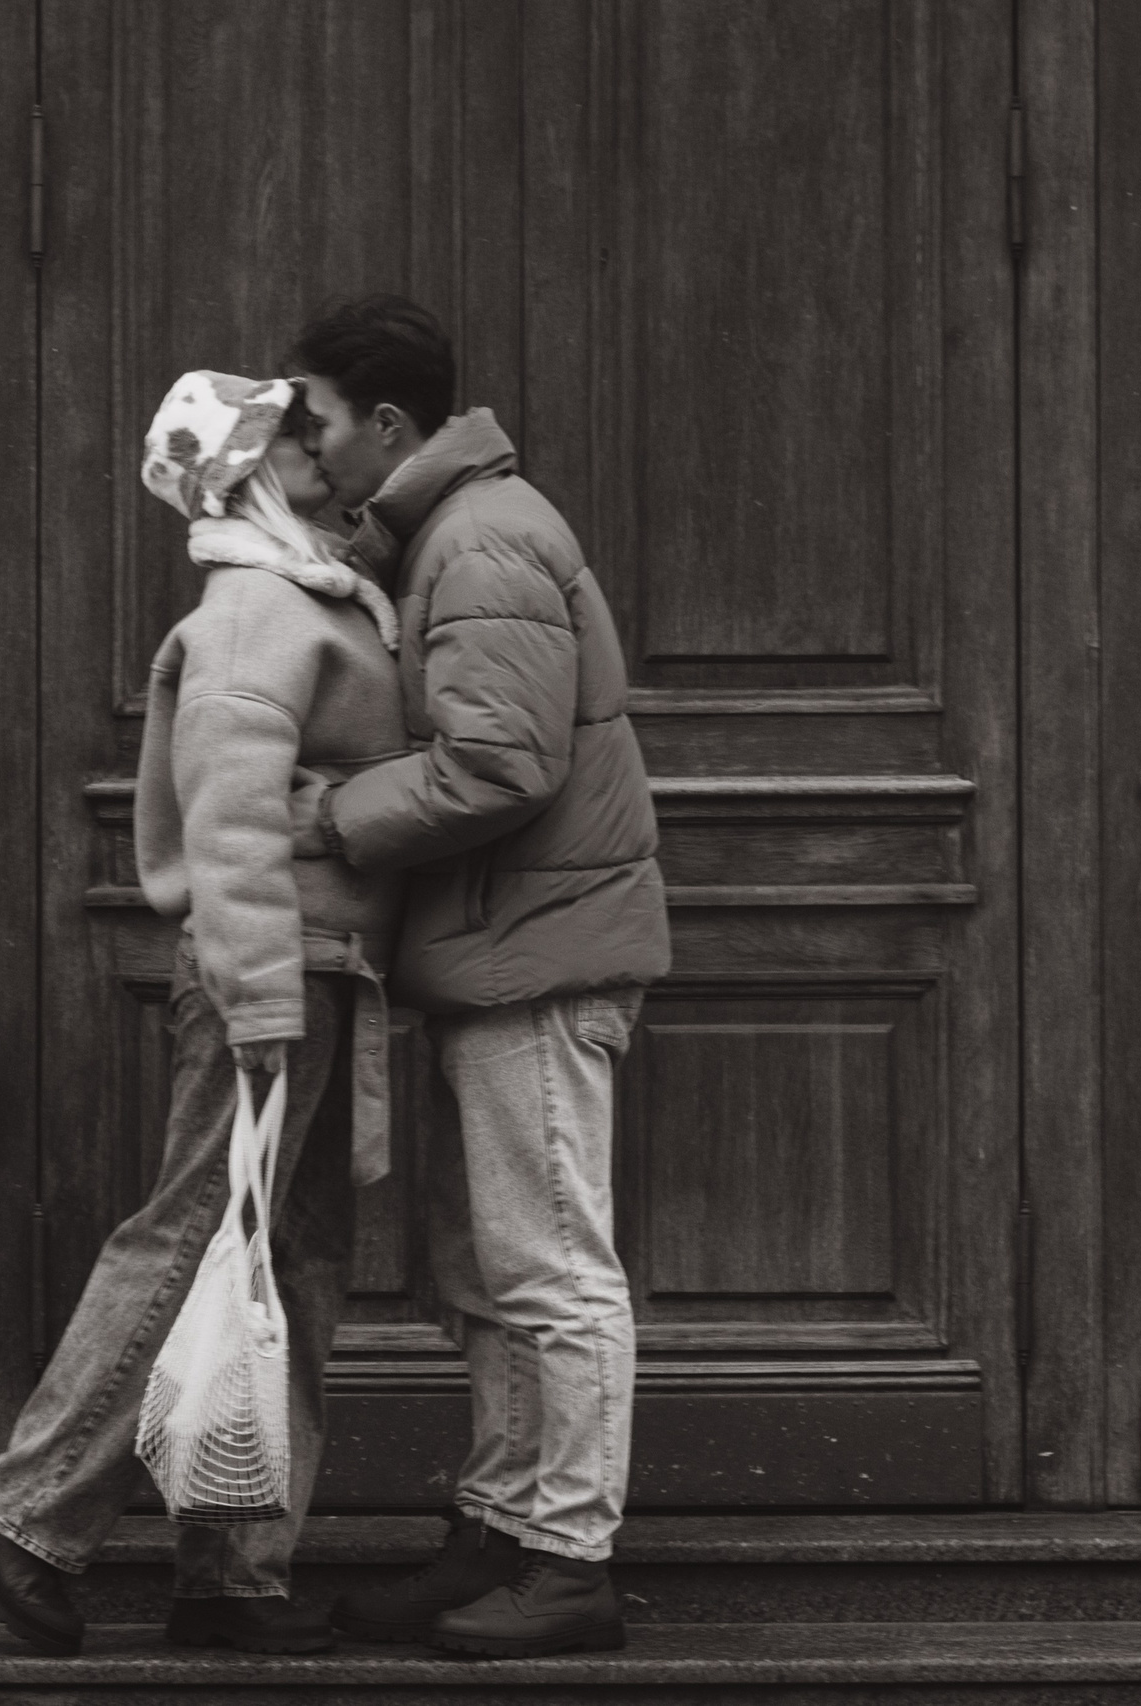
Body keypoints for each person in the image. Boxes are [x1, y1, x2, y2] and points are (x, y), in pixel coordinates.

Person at [0, 371, 407, 1657]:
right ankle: (26, 1505)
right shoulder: (255, 610)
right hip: (277, 969)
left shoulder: (308, 587)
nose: (316, 447)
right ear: (248, 471)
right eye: (290, 436)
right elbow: (231, 815)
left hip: (322, 965)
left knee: (287, 1265)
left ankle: (235, 1571)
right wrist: (259, 993)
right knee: (199, 1233)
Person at [286, 295, 670, 1659]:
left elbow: (500, 762)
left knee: (549, 1266)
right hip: (499, 949)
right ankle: (501, 1528)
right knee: (493, 1268)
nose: (304, 445)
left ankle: (568, 1559)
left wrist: (332, 814)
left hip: (535, 956)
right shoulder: (450, 531)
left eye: (316, 419)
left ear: (388, 422)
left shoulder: (484, 537)